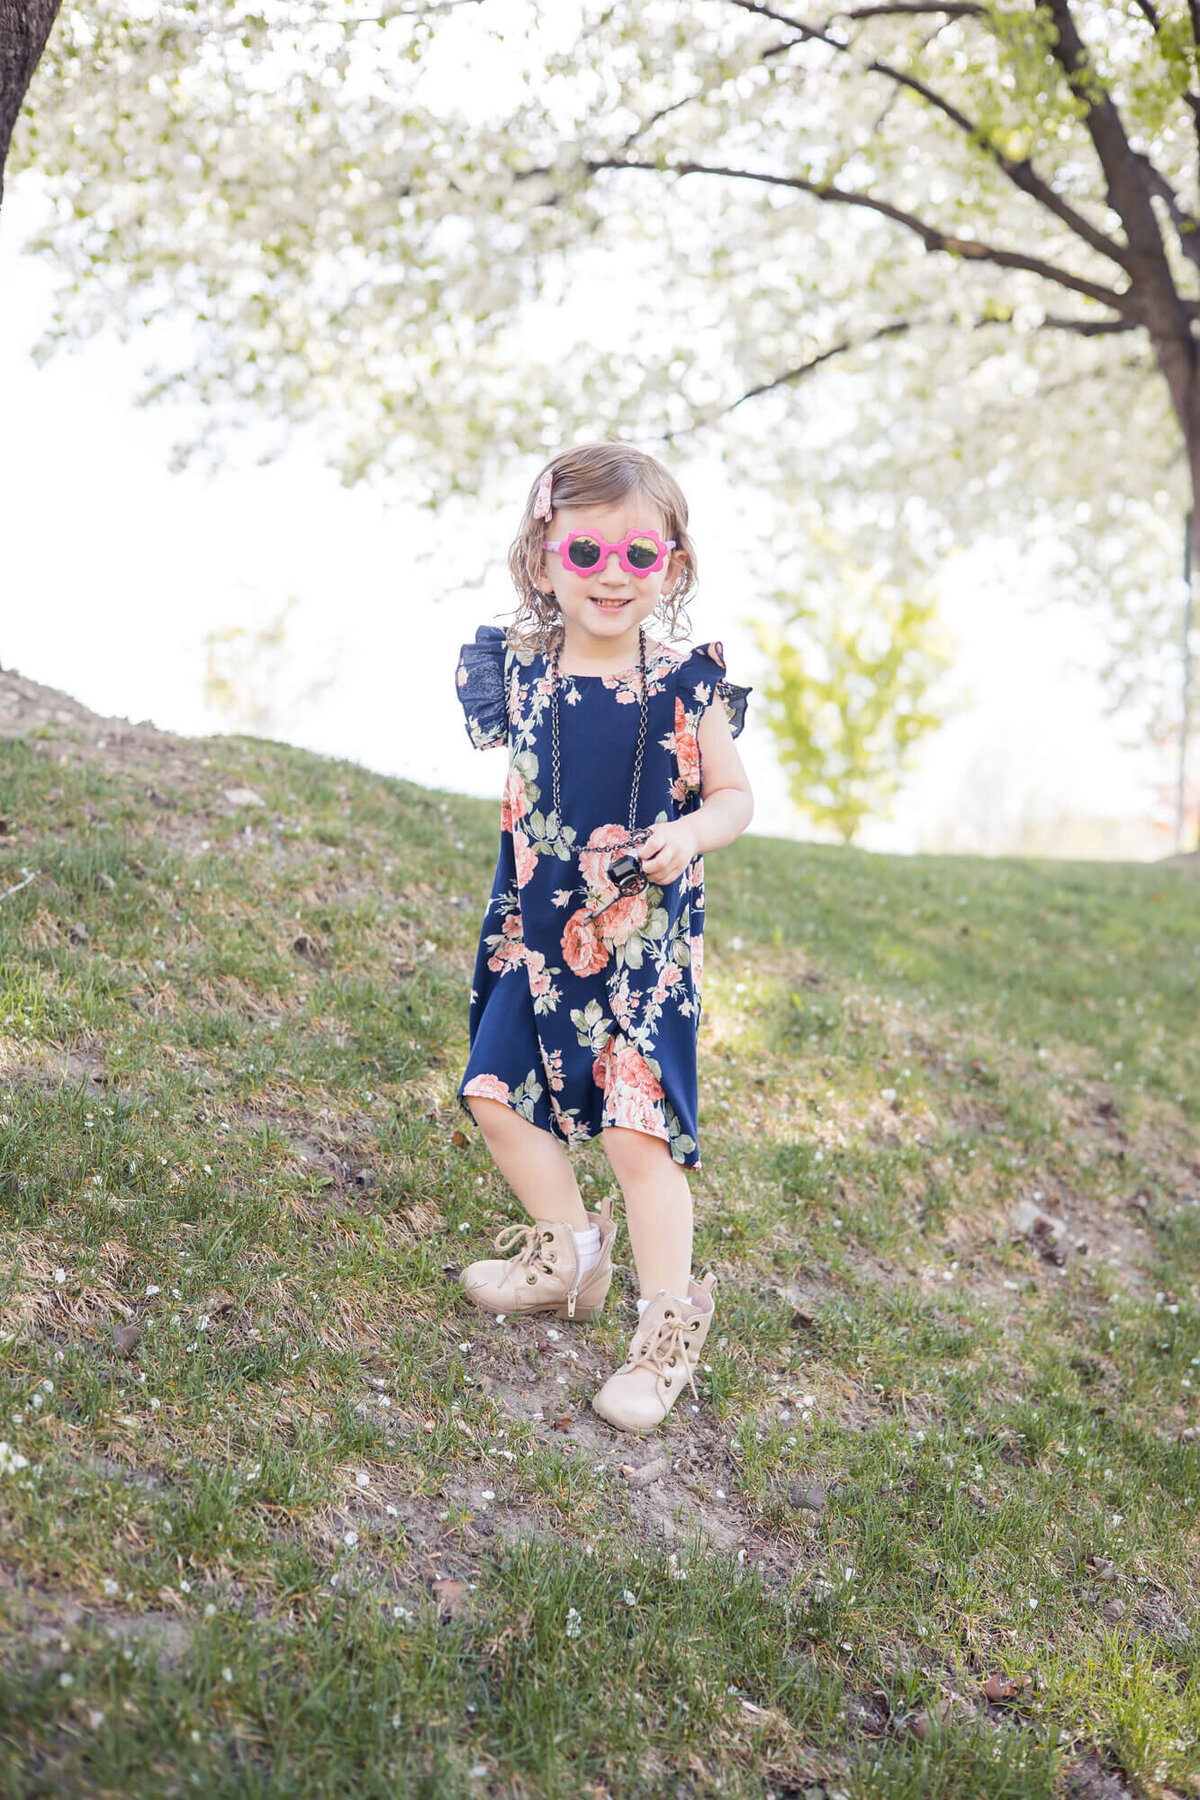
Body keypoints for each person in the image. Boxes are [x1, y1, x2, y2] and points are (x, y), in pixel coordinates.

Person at [452, 443, 753, 1434]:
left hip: (642, 941)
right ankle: (570, 1256)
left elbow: (734, 797)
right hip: (535, 932)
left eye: (639, 554)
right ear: (543, 562)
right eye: (586, 553)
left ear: (672, 563)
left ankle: (665, 1331)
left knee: (636, 1132)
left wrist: (691, 832)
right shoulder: (516, 676)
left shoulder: (684, 686)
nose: (613, 575)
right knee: (495, 1098)